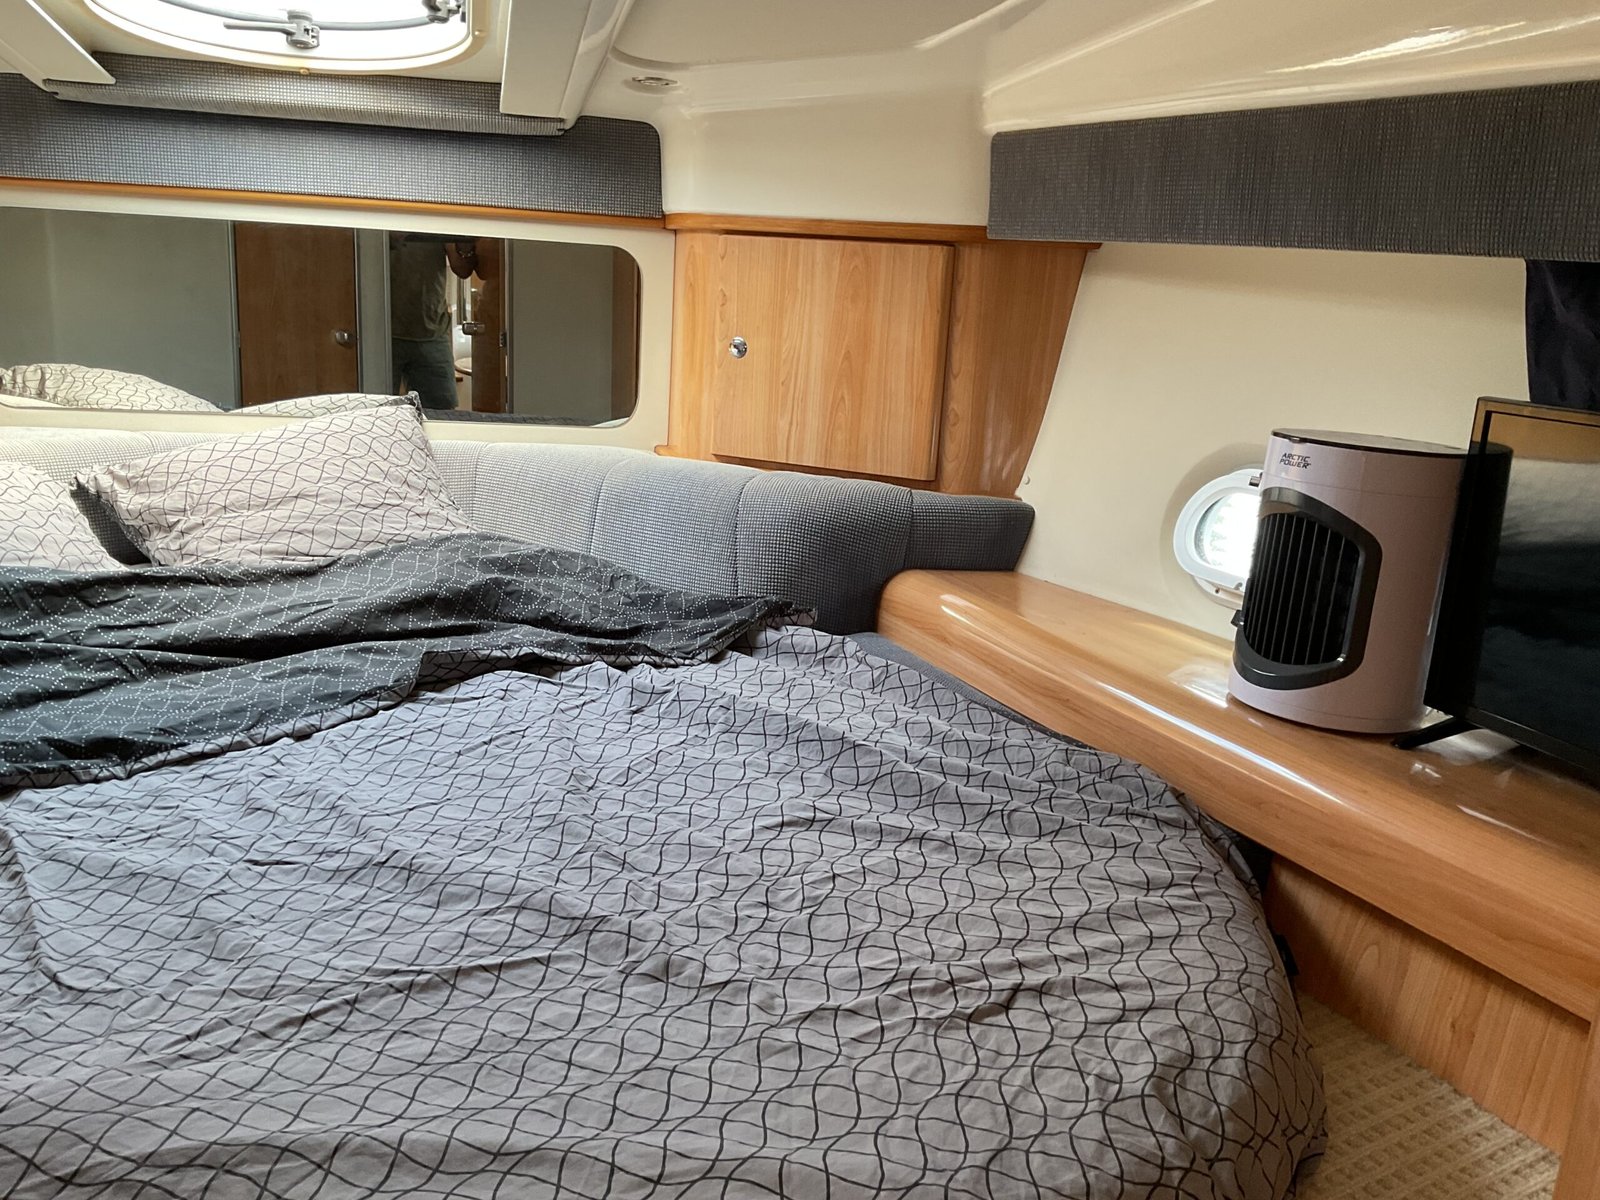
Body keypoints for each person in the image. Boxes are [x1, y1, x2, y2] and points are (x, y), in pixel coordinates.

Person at [388, 233, 478, 410]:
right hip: (381, 333)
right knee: (375, 414)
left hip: (432, 332)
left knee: (443, 416)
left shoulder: (439, 218)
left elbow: (462, 269)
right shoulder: (378, 215)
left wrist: (465, 243)